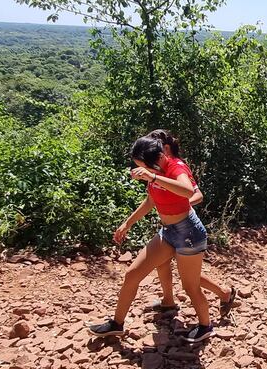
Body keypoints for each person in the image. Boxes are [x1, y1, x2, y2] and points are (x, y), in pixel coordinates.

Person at [88, 136, 214, 342]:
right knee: (132, 274)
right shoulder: (154, 172)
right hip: (169, 231)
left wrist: (153, 177)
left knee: (190, 286)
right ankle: (116, 324)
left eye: (142, 165)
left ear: (156, 158)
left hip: (189, 232)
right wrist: (127, 223)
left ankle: (205, 326)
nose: (141, 170)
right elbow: (150, 201)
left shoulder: (176, 167)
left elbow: (188, 190)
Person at [144, 130, 235, 315]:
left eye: (156, 149)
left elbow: (197, 194)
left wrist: (175, 204)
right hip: (170, 225)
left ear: (166, 148)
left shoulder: (177, 167)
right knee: (163, 263)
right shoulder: (159, 169)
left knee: (188, 275)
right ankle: (168, 301)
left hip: (184, 226)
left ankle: (223, 293)